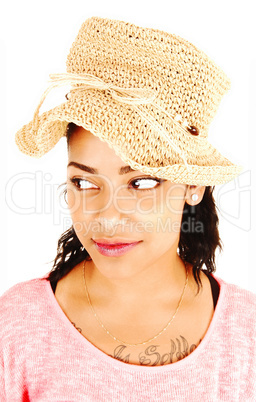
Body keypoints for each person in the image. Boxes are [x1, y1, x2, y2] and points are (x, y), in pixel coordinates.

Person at [1, 16, 255, 401]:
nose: (106, 216)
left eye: (141, 182)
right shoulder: (17, 326)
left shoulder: (246, 335)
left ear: (193, 185)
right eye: (84, 182)